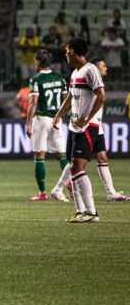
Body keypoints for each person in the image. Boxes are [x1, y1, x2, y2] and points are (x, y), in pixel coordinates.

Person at [50, 40, 105, 222]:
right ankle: (81, 211)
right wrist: (58, 114)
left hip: (87, 127)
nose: (66, 54)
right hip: (74, 127)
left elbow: (101, 95)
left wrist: (87, 118)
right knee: (73, 169)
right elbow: (70, 98)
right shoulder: (75, 73)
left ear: (74, 52)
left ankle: (92, 212)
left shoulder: (91, 70)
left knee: (77, 167)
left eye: (67, 51)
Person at [25, 50, 69, 201]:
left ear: (38, 61)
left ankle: (42, 193)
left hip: (42, 119)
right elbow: (66, 101)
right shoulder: (60, 78)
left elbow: (33, 102)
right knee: (62, 155)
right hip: (57, 119)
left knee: (39, 154)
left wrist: (28, 123)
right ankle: (69, 185)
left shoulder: (36, 79)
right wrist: (60, 117)